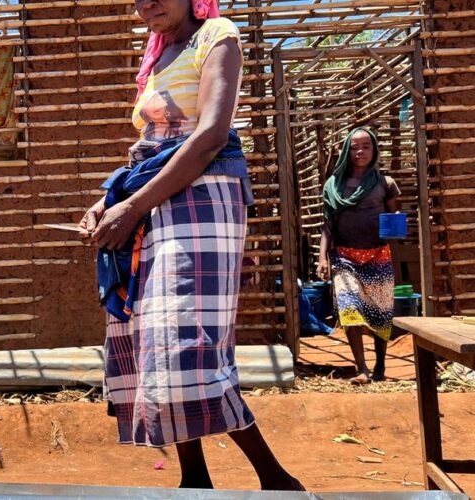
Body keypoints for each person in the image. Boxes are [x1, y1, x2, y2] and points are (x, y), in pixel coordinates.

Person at [79, 0, 302, 490]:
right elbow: (148, 148)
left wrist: (132, 207)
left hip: (204, 196)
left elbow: (210, 136)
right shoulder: (156, 52)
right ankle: (196, 477)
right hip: (156, 192)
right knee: (154, 339)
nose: (147, 4)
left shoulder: (216, 34)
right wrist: (106, 201)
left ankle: (276, 479)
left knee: (185, 342)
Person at [318, 127, 401, 385]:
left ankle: (380, 365)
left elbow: (393, 217)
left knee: (380, 312)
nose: (360, 151)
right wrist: (322, 257)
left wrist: (396, 225)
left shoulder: (384, 184)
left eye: (366, 146)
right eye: (354, 147)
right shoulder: (333, 186)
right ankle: (361, 369)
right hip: (344, 257)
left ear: (374, 149)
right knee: (349, 309)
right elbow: (328, 225)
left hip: (377, 255)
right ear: (346, 151)